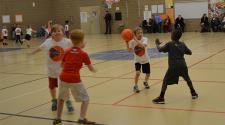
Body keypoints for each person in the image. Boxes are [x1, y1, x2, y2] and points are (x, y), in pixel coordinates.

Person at [53, 29, 97, 125]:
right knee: (85, 99)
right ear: (81, 41)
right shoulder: (83, 53)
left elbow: (62, 65)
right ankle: (81, 118)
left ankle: (57, 119)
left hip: (63, 77)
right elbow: (90, 68)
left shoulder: (66, 51)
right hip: (75, 79)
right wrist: (94, 70)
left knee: (61, 98)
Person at [30, 24, 74, 112]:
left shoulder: (68, 42)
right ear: (51, 33)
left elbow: (76, 47)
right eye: (54, 31)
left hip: (64, 70)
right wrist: (32, 53)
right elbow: (40, 48)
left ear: (63, 33)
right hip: (52, 69)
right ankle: (54, 100)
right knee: (52, 86)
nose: (56, 33)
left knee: (65, 87)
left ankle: (68, 101)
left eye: (59, 31)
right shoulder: (48, 42)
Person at [152, 29, 198, 104]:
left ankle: (161, 98)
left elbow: (160, 50)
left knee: (165, 81)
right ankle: (193, 93)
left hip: (173, 66)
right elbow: (190, 52)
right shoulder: (182, 44)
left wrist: (157, 43)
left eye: (171, 33)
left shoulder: (170, 44)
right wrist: (182, 50)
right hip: (182, 65)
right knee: (187, 79)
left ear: (172, 36)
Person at [125, 27, 150, 93]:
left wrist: (135, 39)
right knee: (137, 73)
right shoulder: (132, 42)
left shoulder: (145, 39)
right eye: (138, 33)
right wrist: (127, 42)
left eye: (141, 32)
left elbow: (143, 46)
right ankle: (135, 86)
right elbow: (129, 50)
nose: (140, 34)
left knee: (148, 74)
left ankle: (145, 81)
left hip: (145, 60)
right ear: (135, 34)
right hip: (137, 60)